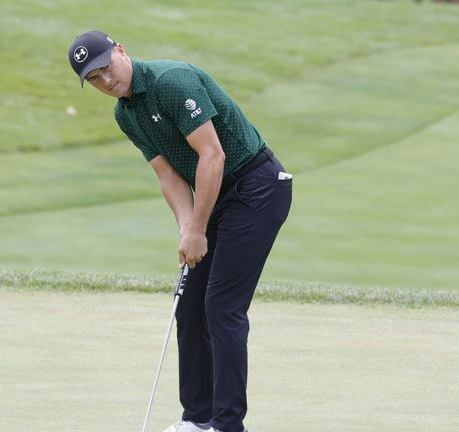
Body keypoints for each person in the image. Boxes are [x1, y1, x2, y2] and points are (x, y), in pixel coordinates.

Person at [68, 31, 292, 432]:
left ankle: (227, 424)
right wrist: (187, 228)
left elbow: (213, 155)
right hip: (218, 197)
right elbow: (167, 175)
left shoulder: (172, 83)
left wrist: (199, 229)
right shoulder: (125, 114)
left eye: (106, 67)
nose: (105, 80)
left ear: (121, 50)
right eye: (94, 78)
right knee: (190, 304)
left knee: (221, 307)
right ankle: (198, 418)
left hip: (256, 188)